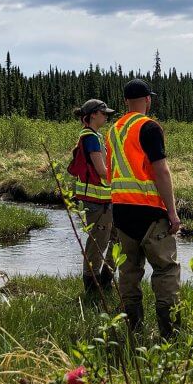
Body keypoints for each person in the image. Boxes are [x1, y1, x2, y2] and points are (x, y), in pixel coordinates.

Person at [106, 79, 181, 338]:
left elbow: (110, 171)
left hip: (122, 211)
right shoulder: (149, 127)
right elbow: (161, 171)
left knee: (129, 271)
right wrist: (172, 212)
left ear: (126, 101)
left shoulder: (114, 130)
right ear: (147, 99)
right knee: (166, 270)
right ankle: (170, 334)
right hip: (150, 210)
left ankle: (133, 330)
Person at [71, 99, 117, 293]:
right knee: (97, 245)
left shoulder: (96, 136)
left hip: (105, 200)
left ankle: (105, 283)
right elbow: (101, 171)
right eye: (103, 112)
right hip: (97, 203)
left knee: (116, 240)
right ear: (92, 115)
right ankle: (93, 290)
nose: (106, 116)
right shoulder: (90, 137)